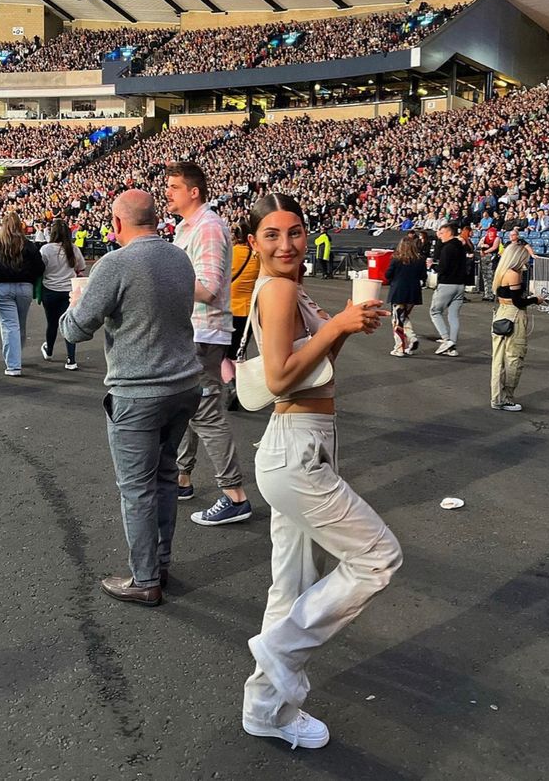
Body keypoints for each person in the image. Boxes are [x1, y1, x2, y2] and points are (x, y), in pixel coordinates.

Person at [241, 193, 402, 749]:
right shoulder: (280, 288)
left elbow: (315, 373)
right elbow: (282, 378)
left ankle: (266, 710)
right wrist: (336, 326)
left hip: (301, 446)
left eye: (295, 232)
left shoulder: (292, 288)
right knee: (379, 557)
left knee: (290, 589)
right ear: (255, 242)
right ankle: (280, 650)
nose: (286, 244)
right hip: (295, 451)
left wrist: (345, 330)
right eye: (272, 235)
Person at [59, 190, 202, 607]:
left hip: (139, 391)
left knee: (137, 489)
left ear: (117, 224)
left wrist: (75, 303)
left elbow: (75, 329)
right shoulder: (179, 257)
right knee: (164, 479)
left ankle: (145, 579)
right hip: (184, 385)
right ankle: (159, 564)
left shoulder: (116, 263)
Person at [166, 161, 251, 525]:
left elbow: (211, 287)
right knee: (188, 408)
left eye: (173, 187)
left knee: (205, 413)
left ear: (193, 191)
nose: (167, 193)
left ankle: (235, 495)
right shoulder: (188, 227)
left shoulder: (210, 227)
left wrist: (164, 284)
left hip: (204, 332)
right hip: (192, 330)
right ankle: (182, 478)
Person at [0, 211, 44, 377]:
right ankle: (16, 357)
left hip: (1, 286)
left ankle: (13, 364)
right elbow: (39, 267)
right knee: (19, 324)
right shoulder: (28, 244)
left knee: (9, 325)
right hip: (24, 286)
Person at [490, 244, 545, 412]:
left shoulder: (501, 271)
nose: (526, 260)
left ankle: (497, 397)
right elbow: (518, 302)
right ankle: (506, 397)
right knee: (514, 357)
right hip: (514, 315)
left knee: (498, 359)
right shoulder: (514, 275)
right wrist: (536, 299)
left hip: (501, 312)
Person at [40, 219, 86, 370]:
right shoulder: (73, 249)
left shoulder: (45, 249)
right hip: (68, 289)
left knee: (51, 322)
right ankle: (71, 360)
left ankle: (49, 351)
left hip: (50, 289)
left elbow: (41, 269)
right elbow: (81, 267)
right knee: (69, 323)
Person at [226, 219, 260, 411]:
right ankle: (241, 386)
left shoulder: (230, 254)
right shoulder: (257, 256)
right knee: (240, 352)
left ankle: (231, 383)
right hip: (250, 311)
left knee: (225, 354)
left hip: (231, 308)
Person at [385, 236, 427, 357]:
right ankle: (411, 338)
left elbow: (388, 275)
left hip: (398, 292)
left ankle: (399, 348)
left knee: (397, 320)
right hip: (413, 292)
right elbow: (423, 276)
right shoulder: (420, 260)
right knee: (404, 317)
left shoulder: (396, 259)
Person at [430, 223, 466, 356]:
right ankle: (452, 347)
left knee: (435, 311)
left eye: (442, 233)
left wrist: (433, 267)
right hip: (460, 285)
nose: (440, 236)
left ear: (449, 233)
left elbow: (443, 267)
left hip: (447, 284)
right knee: (453, 316)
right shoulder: (461, 247)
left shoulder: (447, 248)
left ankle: (446, 339)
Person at [477, 224, 500, 301]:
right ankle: (487, 294)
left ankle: (492, 294)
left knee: (491, 276)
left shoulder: (497, 238)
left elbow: (494, 247)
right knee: (485, 276)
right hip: (483, 258)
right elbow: (479, 246)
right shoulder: (484, 238)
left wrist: (486, 251)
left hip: (491, 258)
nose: (490, 234)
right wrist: (483, 245)